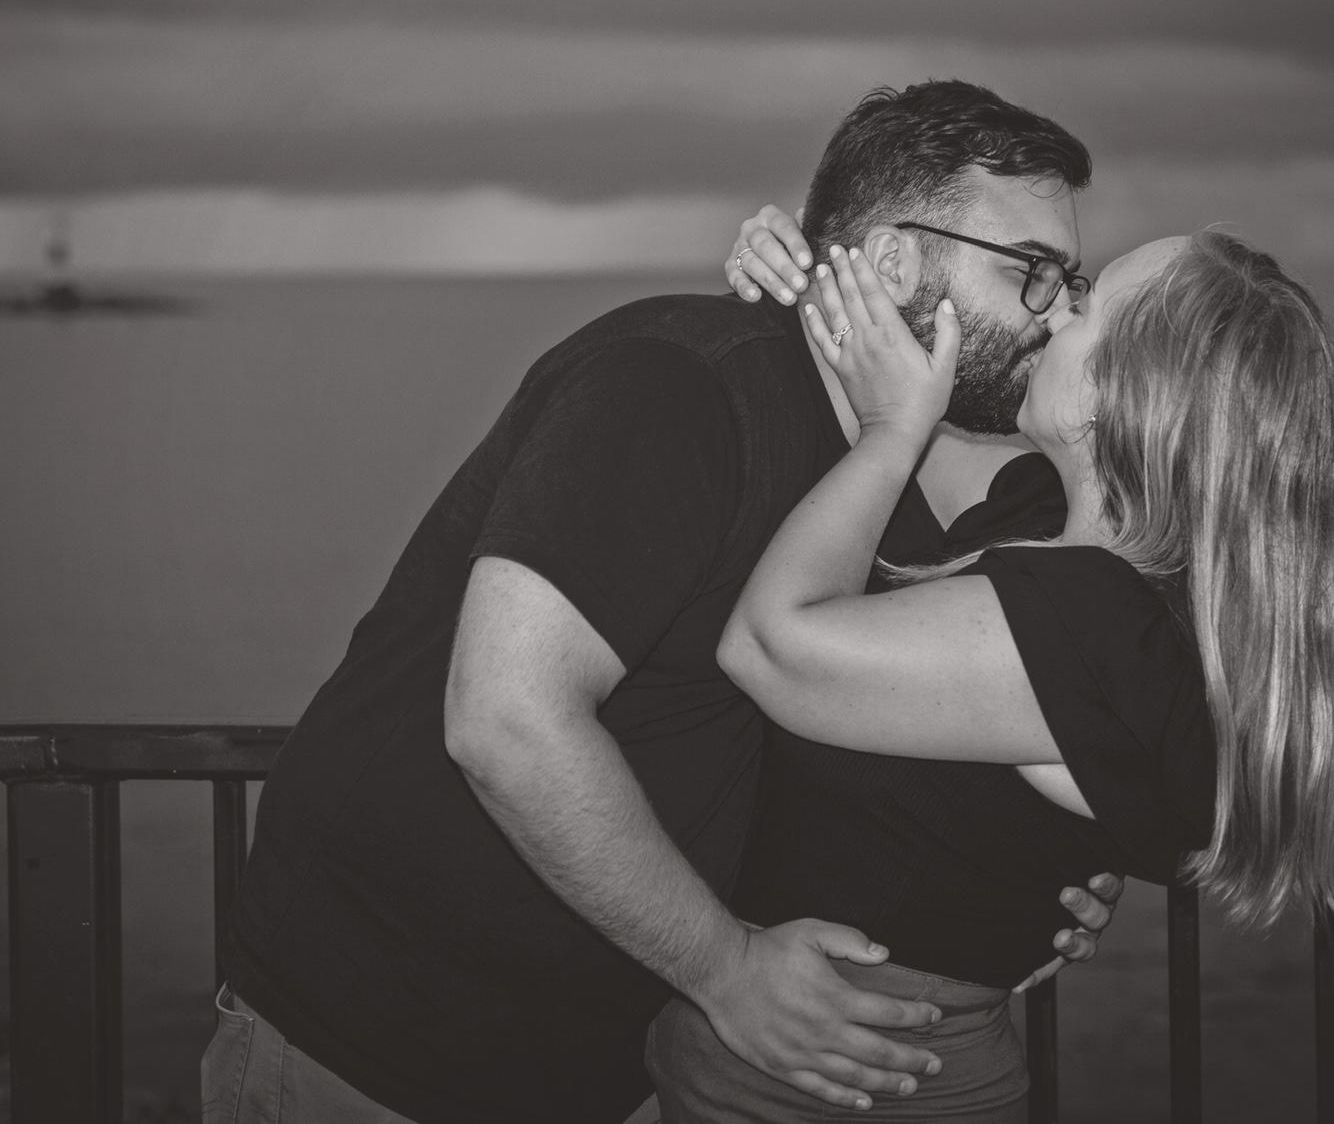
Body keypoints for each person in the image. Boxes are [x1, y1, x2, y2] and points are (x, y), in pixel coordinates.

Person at [204, 81, 1116, 1124]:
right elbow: (505, 718)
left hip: (585, 1067)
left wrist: (1024, 886)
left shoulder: (873, 475)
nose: (1059, 311)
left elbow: (886, 742)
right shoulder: (678, 387)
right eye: (1029, 271)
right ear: (895, 263)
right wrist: (729, 969)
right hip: (372, 1052)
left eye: (1070, 279)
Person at [646, 227, 1334, 1121]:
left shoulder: (1094, 624)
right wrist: (819, 272)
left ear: (1128, 391)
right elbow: (893, 399)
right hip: (850, 1058)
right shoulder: (1073, 542)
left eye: (1086, 307)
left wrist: (892, 432)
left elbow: (769, 647)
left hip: (854, 1077)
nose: (1053, 317)